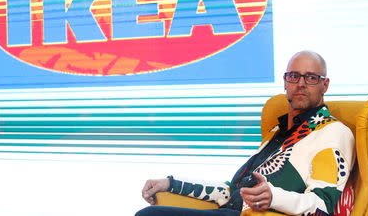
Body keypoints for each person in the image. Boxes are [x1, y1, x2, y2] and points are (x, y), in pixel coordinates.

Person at [136, 51, 355, 216]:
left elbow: (322, 206)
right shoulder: (277, 133)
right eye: (294, 76)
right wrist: (170, 184)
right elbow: (229, 191)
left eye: (311, 78)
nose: (301, 84)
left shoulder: (334, 132)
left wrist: (274, 196)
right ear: (285, 82)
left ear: (324, 85)